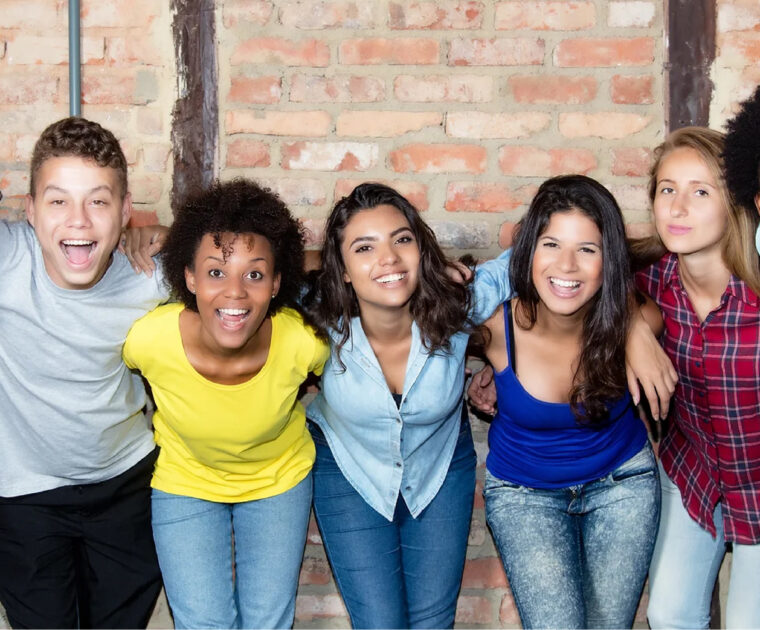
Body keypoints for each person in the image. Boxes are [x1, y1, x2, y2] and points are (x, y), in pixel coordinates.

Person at [122, 179, 329, 629]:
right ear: (189, 277)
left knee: (267, 623)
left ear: (277, 284)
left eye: (254, 274)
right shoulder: (151, 339)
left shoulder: (301, 342)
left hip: (278, 482)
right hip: (186, 483)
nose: (235, 292)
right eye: (216, 272)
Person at [304, 182, 512, 628]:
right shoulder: (321, 318)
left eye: (402, 240)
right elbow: (245, 273)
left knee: (433, 622)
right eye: (364, 247)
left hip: (439, 469)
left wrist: (631, 325)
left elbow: (533, 258)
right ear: (341, 268)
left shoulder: (457, 306)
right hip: (349, 470)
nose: (389, 259)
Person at [0, 117, 166, 628]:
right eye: (57, 201)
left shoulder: (150, 277)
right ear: (29, 211)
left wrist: (172, 231)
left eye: (97, 201)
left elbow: (247, 269)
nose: (78, 221)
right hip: (25, 496)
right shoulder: (8, 259)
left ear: (124, 211)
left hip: (125, 485)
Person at [480, 174, 660, 629]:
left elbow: (643, 309)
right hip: (525, 496)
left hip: (624, 484)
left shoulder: (639, 321)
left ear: (608, 261)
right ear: (529, 252)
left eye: (588, 249)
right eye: (551, 244)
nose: (567, 265)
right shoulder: (493, 328)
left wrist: (634, 328)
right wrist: (472, 379)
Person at [640, 126, 760, 629]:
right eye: (668, 189)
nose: (678, 207)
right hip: (694, 471)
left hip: (758, 483)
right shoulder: (651, 278)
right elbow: (541, 249)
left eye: (700, 191)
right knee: (668, 616)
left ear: (733, 203)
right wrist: (633, 328)